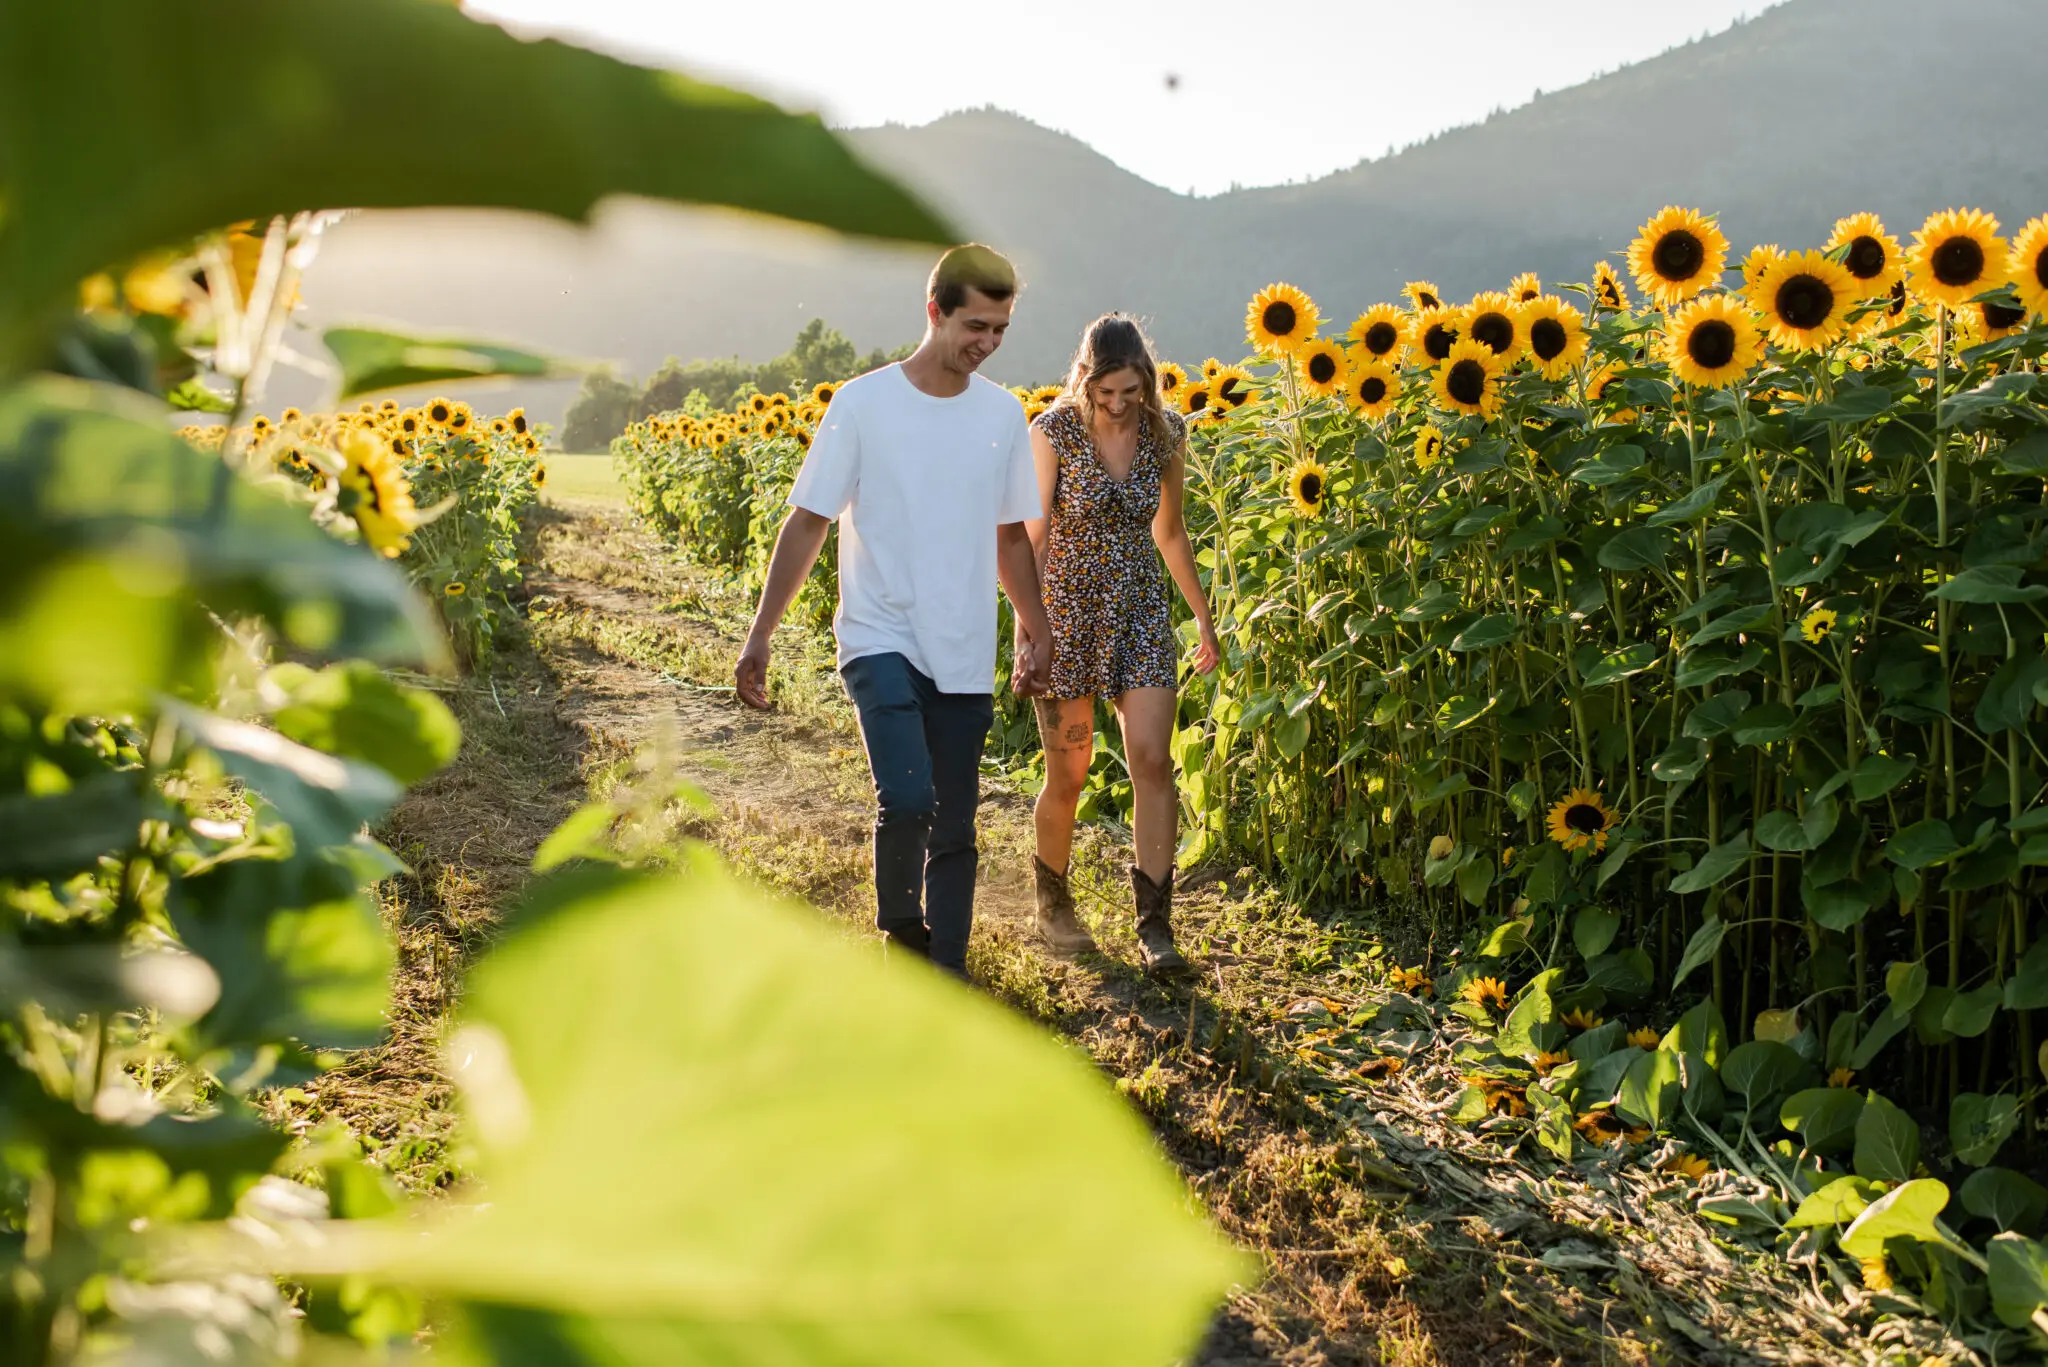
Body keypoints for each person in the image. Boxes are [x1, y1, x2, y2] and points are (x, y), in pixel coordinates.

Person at [735, 244, 1050, 979]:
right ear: (934, 310)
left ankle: (946, 974)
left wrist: (1037, 626)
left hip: (965, 644)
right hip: (879, 633)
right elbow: (809, 521)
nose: (988, 343)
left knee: (956, 824)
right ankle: (903, 930)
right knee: (909, 796)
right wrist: (760, 634)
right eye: (976, 324)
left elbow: (1010, 536)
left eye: (1001, 330)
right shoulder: (863, 404)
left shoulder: (1003, 416)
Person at [1023, 314, 1220, 976]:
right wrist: (1031, 630)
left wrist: (1204, 618)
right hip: (1067, 613)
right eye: (1105, 392)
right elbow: (1034, 537)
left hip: (1139, 609)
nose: (1116, 405)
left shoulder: (1166, 435)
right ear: (1084, 379)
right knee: (1069, 773)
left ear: (1146, 384)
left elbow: (1170, 532)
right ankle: (1054, 903)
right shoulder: (1052, 432)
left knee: (1153, 760)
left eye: (1129, 393)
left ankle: (1155, 922)